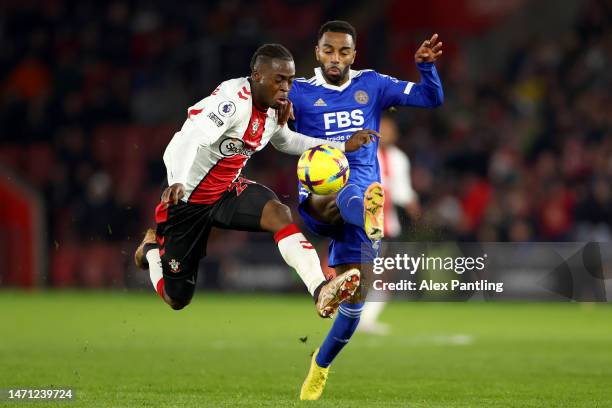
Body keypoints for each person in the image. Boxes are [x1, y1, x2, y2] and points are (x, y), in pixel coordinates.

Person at [133, 44, 377, 317]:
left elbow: (286, 141)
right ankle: (151, 248)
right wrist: (177, 180)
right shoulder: (231, 103)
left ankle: (320, 289)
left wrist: (343, 145)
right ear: (257, 76)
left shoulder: (275, 107)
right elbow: (188, 139)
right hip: (188, 200)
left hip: (228, 191)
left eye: (290, 80)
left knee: (279, 213)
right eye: (279, 80)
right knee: (176, 299)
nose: (286, 87)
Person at [289, 21, 443, 400]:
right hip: (318, 193)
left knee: (356, 305)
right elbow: (269, 125)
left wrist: (425, 66)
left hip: (360, 198)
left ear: (354, 54)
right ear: (317, 52)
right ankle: (367, 214)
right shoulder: (298, 91)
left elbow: (430, 98)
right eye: (329, 51)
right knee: (342, 190)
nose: (336, 58)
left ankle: (320, 366)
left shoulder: (372, 84)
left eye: (344, 52)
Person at [358, 114, 421, 335]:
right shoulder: (363, 152)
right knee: (366, 272)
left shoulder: (399, 159)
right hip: (363, 222)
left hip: (388, 225)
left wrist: (411, 203)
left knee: (386, 274)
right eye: (382, 128)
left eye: (390, 129)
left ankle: (366, 319)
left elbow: (403, 191)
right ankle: (356, 316)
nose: (385, 133)